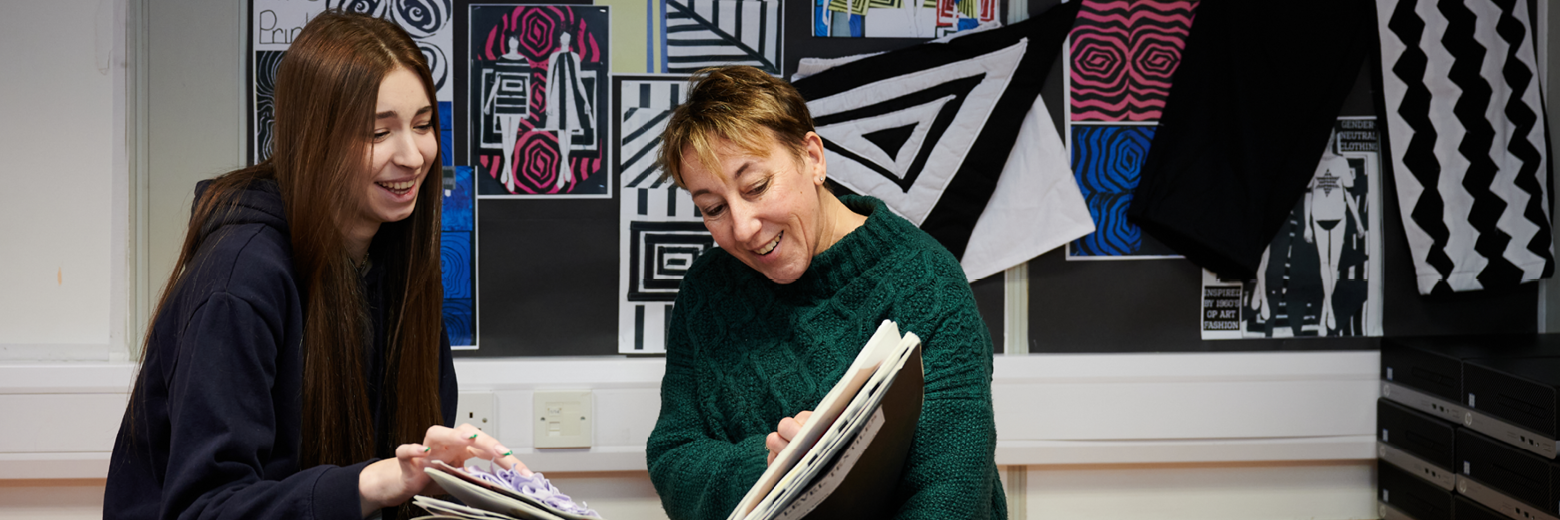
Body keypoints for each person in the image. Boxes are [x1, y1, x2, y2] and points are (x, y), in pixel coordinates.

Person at [104, 11, 526, 520]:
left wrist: (470, 485)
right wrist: (372, 482)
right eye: (379, 132)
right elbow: (204, 507)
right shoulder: (239, 279)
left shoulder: (401, 264)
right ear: (314, 139)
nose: (413, 156)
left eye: (422, 125)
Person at [645, 66, 1005, 519]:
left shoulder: (927, 282)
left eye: (756, 187)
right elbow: (674, 456)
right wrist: (773, 464)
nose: (742, 228)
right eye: (713, 208)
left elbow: (951, 493)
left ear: (812, 157)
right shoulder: (706, 291)